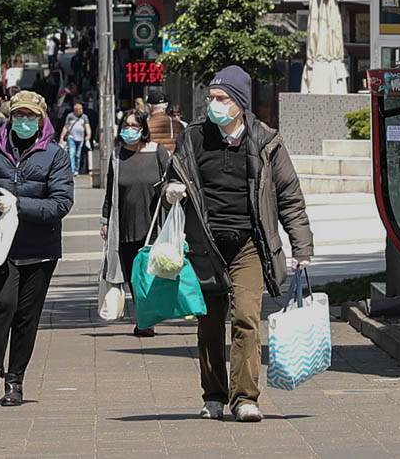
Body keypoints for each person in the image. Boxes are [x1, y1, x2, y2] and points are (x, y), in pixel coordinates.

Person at [163, 65, 313, 423]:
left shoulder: (266, 141)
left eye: (221, 98)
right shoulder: (194, 137)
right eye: (211, 98)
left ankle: (245, 398)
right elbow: (172, 177)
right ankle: (213, 396)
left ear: (240, 103)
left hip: (249, 243)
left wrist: (302, 247)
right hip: (206, 245)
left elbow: (289, 197)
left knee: (246, 317)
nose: (213, 105)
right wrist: (171, 191)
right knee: (209, 324)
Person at [0, 90, 74, 408]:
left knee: (27, 315)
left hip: (40, 246)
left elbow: (61, 202)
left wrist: (18, 204)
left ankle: (15, 380)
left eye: (30, 116)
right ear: (10, 117)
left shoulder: (54, 154)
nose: (24, 121)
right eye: (19, 115)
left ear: (41, 118)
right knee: (3, 304)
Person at [100, 109, 170, 336]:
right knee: (134, 277)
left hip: (154, 227)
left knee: (150, 275)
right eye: (126, 126)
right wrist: (105, 221)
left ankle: (146, 319)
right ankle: (144, 319)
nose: (129, 130)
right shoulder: (117, 156)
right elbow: (110, 193)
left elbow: (171, 181)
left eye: (134, 126)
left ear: (143, 129)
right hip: (125, 227)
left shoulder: (157, 152)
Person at [59, 102, 91, 175]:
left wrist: (88, 135)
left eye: (81, 109)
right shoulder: (70, 116)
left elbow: (87, 126)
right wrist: (62, 137)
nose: (81, 110)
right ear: (75, 110)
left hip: (80, 138)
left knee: (78, 155)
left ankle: (76, 169)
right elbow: (66, 126)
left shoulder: (84, 117)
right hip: (71, 137)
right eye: (79, 109)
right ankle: (72, 170)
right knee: (71, 153)